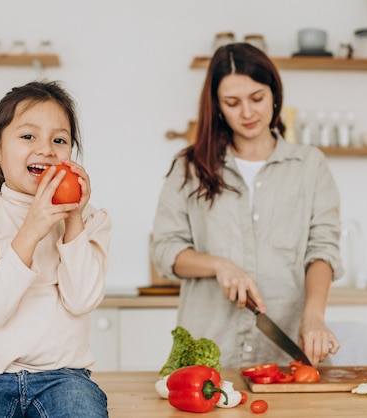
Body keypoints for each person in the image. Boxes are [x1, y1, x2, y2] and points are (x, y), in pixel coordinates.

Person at [150, 43, 342, 369]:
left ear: (275, 94)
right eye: (232, 103)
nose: (248, 113)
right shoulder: (189, 166)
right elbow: (166, 250)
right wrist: (219, 265)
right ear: (217, 107)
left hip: (284, 351)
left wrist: (314, 316)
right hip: (207, 348)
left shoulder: (310, 166)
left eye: (257, 98)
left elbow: (323, 249)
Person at [0, 80, 111, 418]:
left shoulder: (92, 219)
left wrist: (73, 220)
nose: (46, 149)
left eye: (59, 140)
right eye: (28, 136)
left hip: (65, 378)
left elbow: (83, 301)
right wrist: (32, 228)